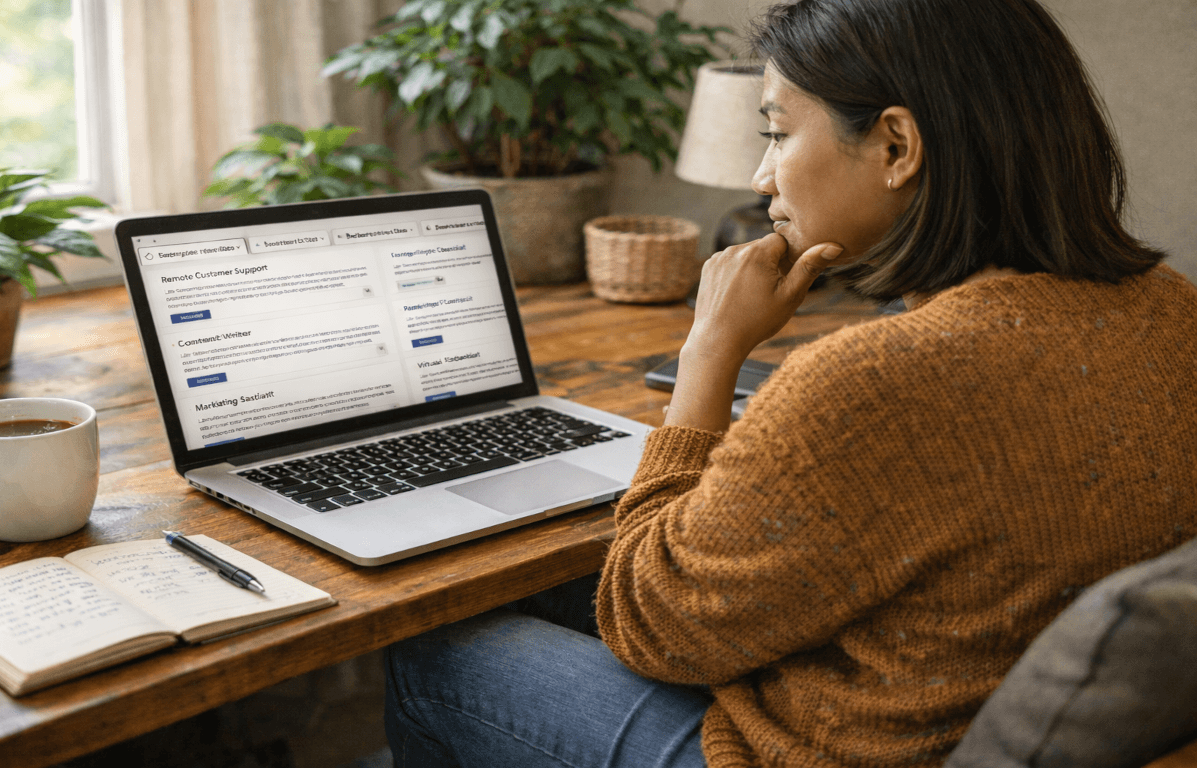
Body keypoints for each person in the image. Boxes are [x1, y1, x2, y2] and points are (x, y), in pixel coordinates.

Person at [382, 0, 1197, 765]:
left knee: (434, 651)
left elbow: (650, 622)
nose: (763, 176)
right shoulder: (1174, 310)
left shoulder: (873, 386)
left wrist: (707, 352)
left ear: (896, 147)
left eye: (777, 133)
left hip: (835, 747)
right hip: (963, 692)